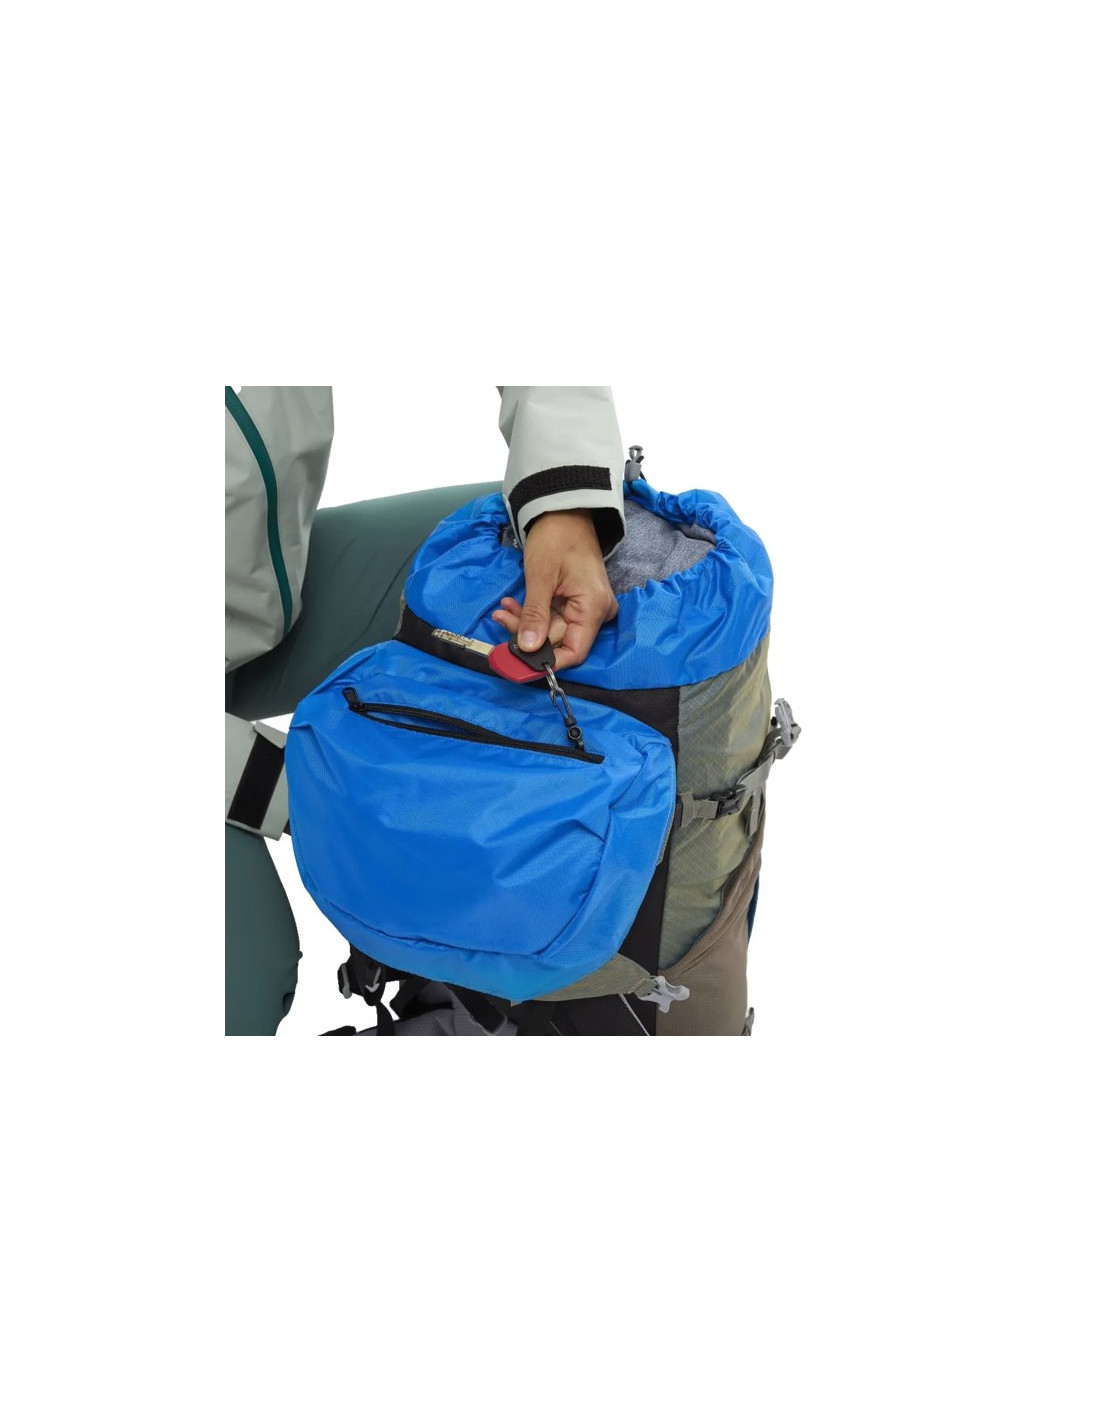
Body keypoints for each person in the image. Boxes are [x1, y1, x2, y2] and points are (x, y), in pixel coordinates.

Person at [226, 385, 630, 1035]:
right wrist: (352, 787)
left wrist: (565, 507)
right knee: (245, 978)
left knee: (598, 548)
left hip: (246, 572)